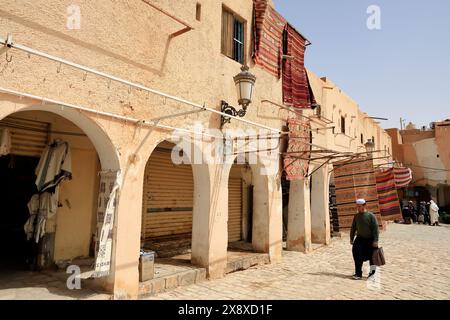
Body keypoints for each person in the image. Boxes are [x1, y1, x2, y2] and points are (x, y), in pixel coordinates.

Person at [350, 199, 379, 280]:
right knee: (357, 255)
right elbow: (353, 228)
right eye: (357, 207)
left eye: (359, 206)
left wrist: (376, 240)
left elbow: (375, 229)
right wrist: (351, 238)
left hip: (370, 240)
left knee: (373, 258)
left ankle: (372, 274)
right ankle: (358, 273)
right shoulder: (356, 216)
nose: (358, 208)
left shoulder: (371, 216)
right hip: (359, 239)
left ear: (364, 206)